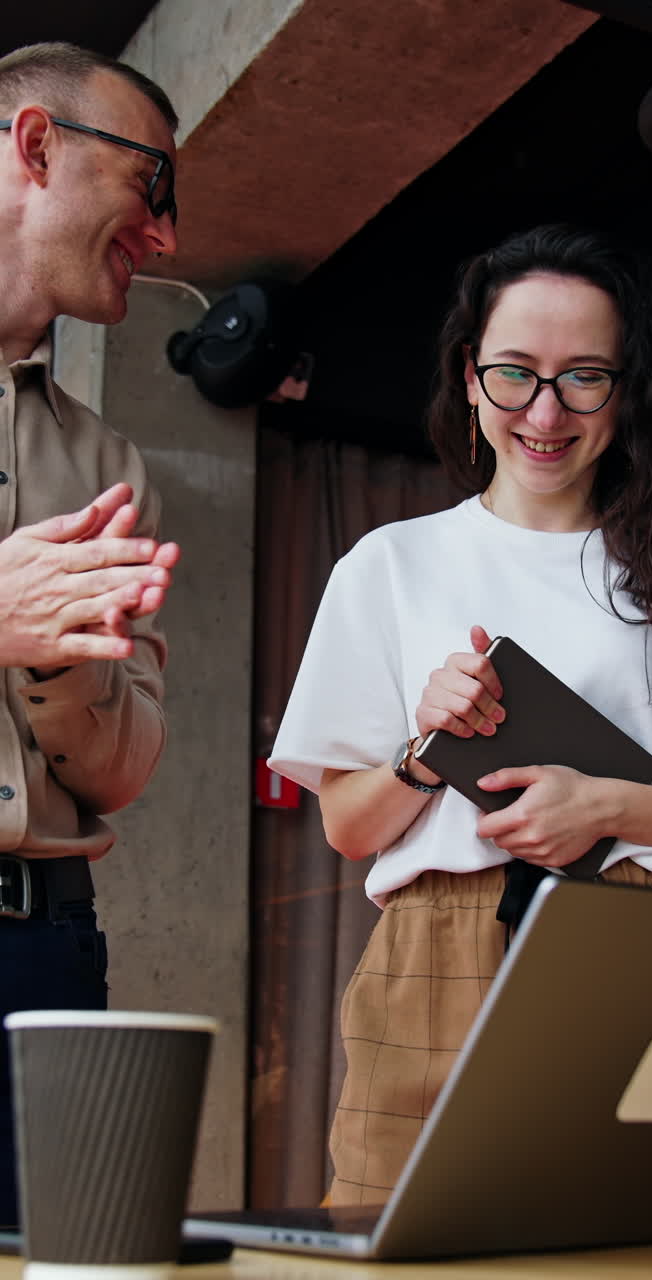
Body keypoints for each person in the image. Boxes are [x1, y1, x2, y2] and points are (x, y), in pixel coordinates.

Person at [269, 222, 652, 1206]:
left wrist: (605, 806)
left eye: (584, 376)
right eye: (516, 372)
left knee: (641, 1248)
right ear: (470, 378)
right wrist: (426, 756)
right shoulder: (391, 563)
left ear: (625, 387)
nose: (545, 410)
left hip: (646, 937)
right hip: (439, 941)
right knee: (399, 1236)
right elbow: (348, 824)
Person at [0, 42, 182, 1223]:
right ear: (33, 147)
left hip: (46, 954)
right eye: (153, 186)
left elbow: (126, 767)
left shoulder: (113, 464)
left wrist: (54, 657)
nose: (166, 238)